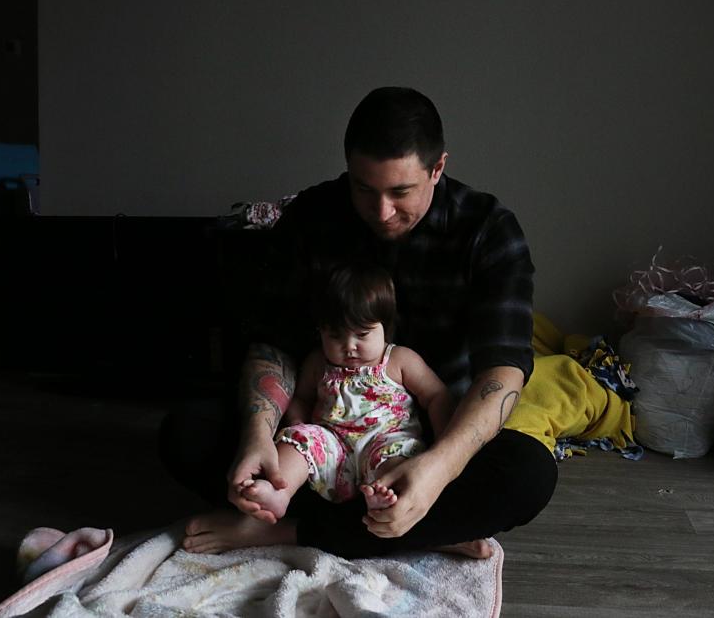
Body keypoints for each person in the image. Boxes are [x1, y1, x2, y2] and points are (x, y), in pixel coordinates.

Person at [162, 86, 557, 558]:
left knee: (529, 473)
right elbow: (273, 344)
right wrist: (258, 437)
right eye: (364, 190)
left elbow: (503, 368)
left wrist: (438, 469)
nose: (382, 211)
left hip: (427, 437)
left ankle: (284, 531)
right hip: (321, 439)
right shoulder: (312, 217)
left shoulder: (488, 230)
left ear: (438, 169)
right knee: (185, 433)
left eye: (401, 192)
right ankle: (423, 529)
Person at [236, 261, 452, 522]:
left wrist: (442, 441)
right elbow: (302, 398)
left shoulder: (400, 360)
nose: (350, 346)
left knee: (399, 457)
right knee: (299, 440)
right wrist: (297, 423)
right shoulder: (318, 363)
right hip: (333, 446)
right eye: (336, 336)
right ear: (321, 332)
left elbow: (436, 395)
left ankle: (385, 499)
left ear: (385, 326)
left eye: (362, 334)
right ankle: (280, 493)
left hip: (385, 441)